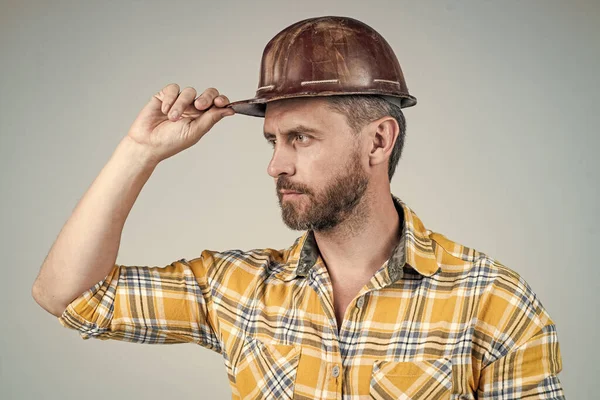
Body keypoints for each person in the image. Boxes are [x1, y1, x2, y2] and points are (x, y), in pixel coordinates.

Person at [32, 16, 564, 399]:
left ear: (378, 141)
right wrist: (139, 153)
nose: (276, 166)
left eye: (302, 138)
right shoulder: (239, 289)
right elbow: (68, 295)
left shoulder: (495, 304)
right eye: (273, 141)